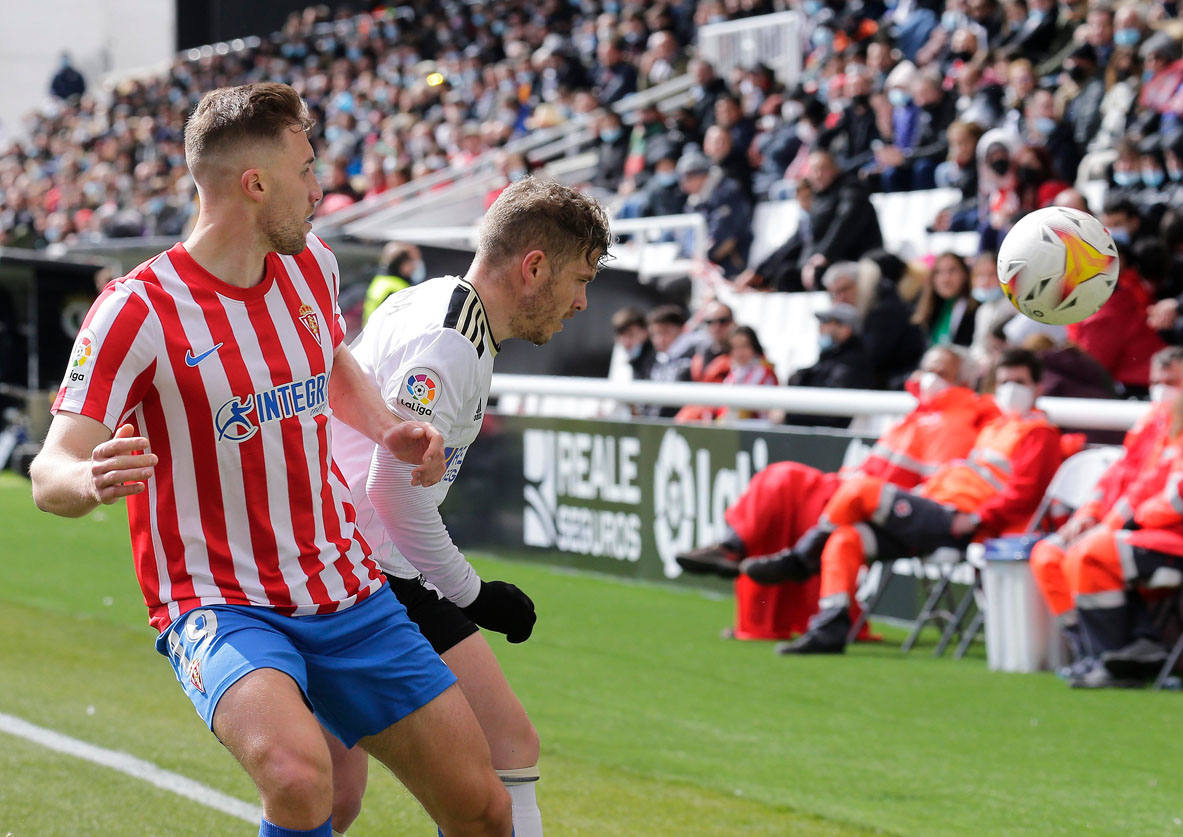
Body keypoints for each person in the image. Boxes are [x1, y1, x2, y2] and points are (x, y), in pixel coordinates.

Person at [28, 83, 512, 836]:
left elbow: (330, 359)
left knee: (482, 808)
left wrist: (387, 427)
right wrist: (90, 478)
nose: (322, 191)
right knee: (296, 775)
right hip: (218, 601)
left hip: (345, 587)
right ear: (255, 185)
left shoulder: (309, 264)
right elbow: (46, 471)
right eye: (308, 171)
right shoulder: (137, 310)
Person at [328, 177, 610, 834]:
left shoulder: (436, 303)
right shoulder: (451, 342)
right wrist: (472, 592)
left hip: (340, 555)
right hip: (365, 569)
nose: (581, 301)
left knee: (330, 796)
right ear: (533, 267)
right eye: (579, 277)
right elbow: (390, 487)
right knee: (508, 745)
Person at [756, 348, 1062, 655]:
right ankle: (829, 629)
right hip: (933, 510)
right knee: (845, 539)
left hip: (958, 519)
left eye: (1020, 382)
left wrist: (977, 520)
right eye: (1005, 381)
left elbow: (1024, 495)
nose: (1011, 390)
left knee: (862, 490)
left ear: (1037, 387)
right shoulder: (997, 426)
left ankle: (802, 557)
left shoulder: (1038, 433)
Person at [677, 345, 998, 597]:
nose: (930, 377)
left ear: (965, 380)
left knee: (782, 478)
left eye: (941, 371)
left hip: (876, 505)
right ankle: (733, 548)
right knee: (776, 476)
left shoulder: (958, 420)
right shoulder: (919, 414)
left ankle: (736, 551)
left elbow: (936, 488)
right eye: (927, 369)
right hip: (853, 490)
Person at [1031, 346, 1183, 671]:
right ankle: (1091, 650)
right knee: (1048, 554)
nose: (1161, 389)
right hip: (1140, 529)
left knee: (1090, 553)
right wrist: (1089, 513)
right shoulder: (1154, 422)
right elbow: (1119, 476)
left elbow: (1168, 497)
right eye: (1156, 381)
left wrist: (1117, 524)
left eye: (1172, 382)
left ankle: (1119, 655)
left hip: (1164, 534)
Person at [782, 302, 876, 428]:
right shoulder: (829, 358)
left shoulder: (852, 363)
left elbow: (830, 414)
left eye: (827, 322)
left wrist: (788, 414)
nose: (821, 328)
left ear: (845, 329)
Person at [363, 241, 427, 323]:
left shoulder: (381, 281)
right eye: (414, 262)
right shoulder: (397, 290)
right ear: (403, 264)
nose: (416, 266)